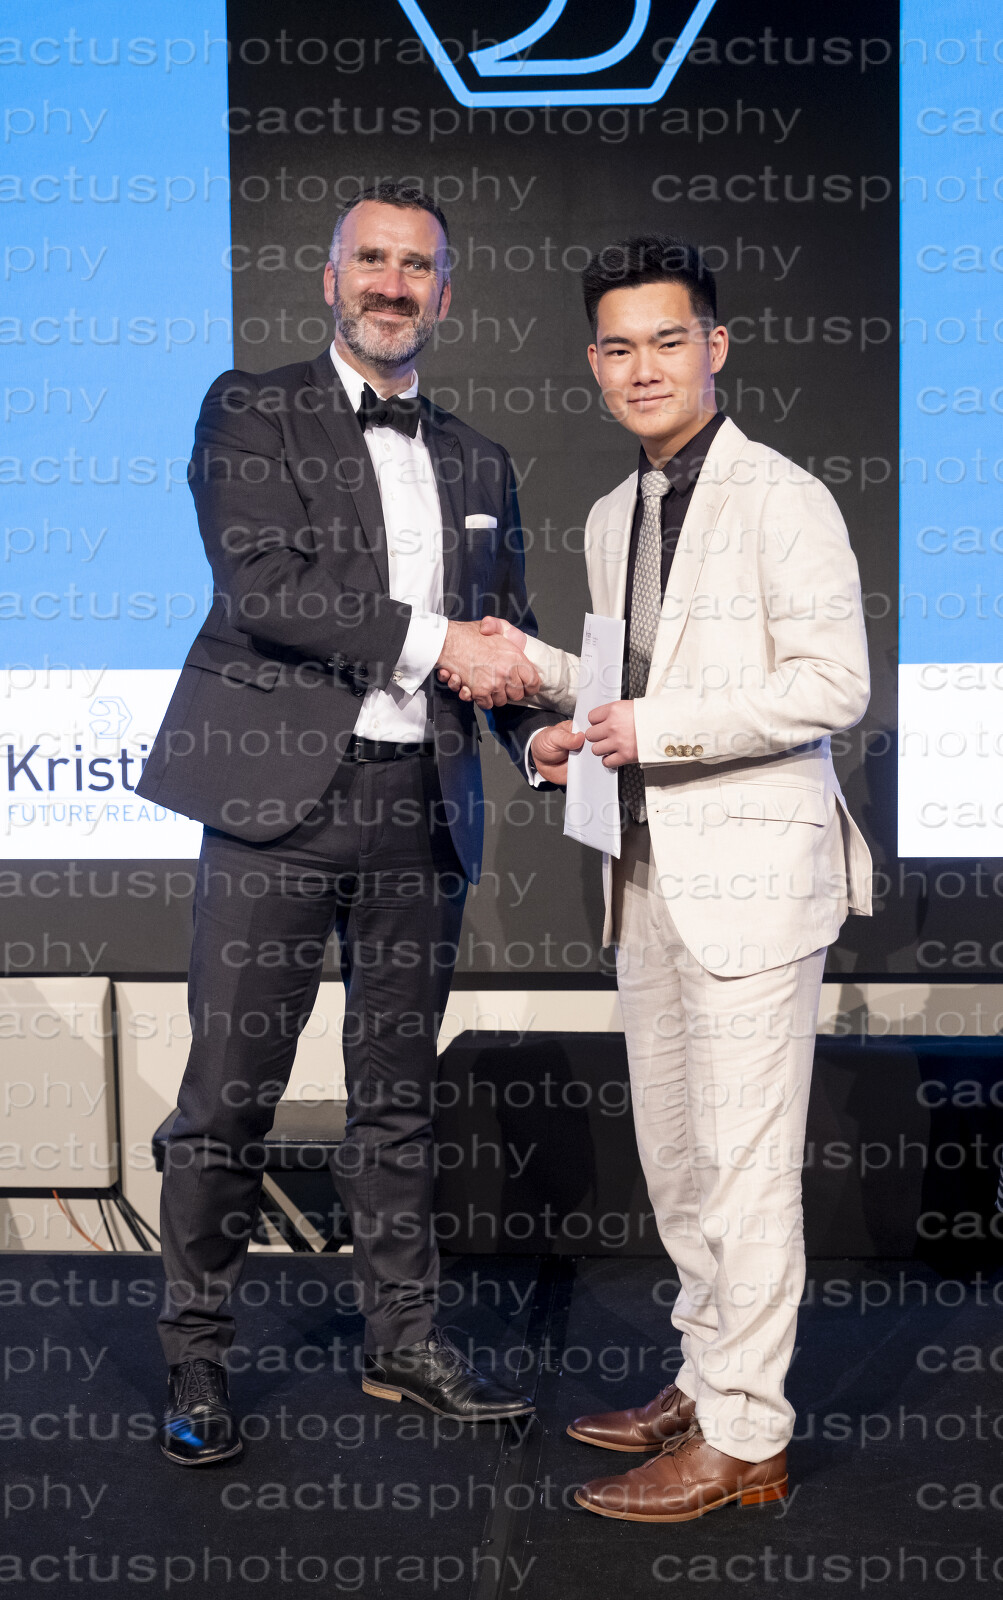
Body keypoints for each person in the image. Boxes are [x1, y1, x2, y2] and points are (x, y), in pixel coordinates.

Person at [443, 232, 872, 1521]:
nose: (643, 368)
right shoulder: (608, 513)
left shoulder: (783, 497)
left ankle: (748, 1433)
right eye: (619, 347)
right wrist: (548, 689)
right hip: (641, 876)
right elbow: (630, 682)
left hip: (753, 885)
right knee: (679, 1162)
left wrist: (655, 729)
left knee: (744, 1167)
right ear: (593, 362)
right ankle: (702, 1376)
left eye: (668, 341)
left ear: (714, 347)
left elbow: (831, 685)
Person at [137, 183, 563, 1465]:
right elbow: (262, 586)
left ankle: (403, 1343)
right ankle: (197, 1359)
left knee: (396, 1098)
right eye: (369, 259)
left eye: (415, 266)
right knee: (229, 1097)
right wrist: (445, 645)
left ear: (445, 293)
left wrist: (533, 735)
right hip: (276, 806)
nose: (391, 283)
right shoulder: (249, 408)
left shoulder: (480, 458)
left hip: (419, 810)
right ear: (330, 280)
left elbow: (498, 639)